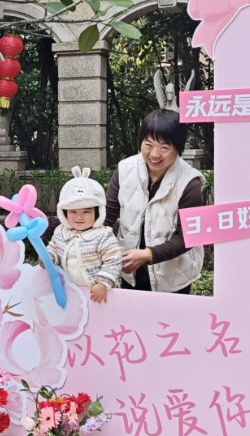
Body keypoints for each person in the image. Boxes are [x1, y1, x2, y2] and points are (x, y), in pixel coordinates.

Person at [105, 109, 206, 294]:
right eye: (148, 144)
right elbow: (106, 214)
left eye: (164, 148)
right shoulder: (125, 169)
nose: (154, 154)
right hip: (130, 270)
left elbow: (188, 236)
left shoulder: (189, 183)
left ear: (178, 149)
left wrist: (148, 255)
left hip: (173, 277)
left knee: (169, 314)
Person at [47, 166, 121, 303]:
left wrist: (103, 283)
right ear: (64, 213)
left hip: (99, 293)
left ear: (97, 213)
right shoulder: (61, 232)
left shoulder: (103, 236)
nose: (79, 217)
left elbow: (113, 260)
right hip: (71, 291)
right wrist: (48, 257)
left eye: (86, 212)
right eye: (73, 212)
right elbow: (53, 248)